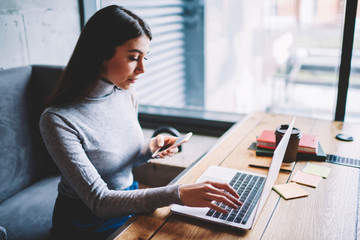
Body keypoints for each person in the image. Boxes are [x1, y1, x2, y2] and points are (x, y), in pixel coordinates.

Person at [40, 5, 242, 239]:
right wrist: (177, 194)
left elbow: (122, 160)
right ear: (100, 54)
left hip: (130, 201)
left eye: (144, 58)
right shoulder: (57, 120)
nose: (143, 69)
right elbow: (99, 201)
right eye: (134, 58)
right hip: (87, 221)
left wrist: (150, 148)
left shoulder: (126, 92)